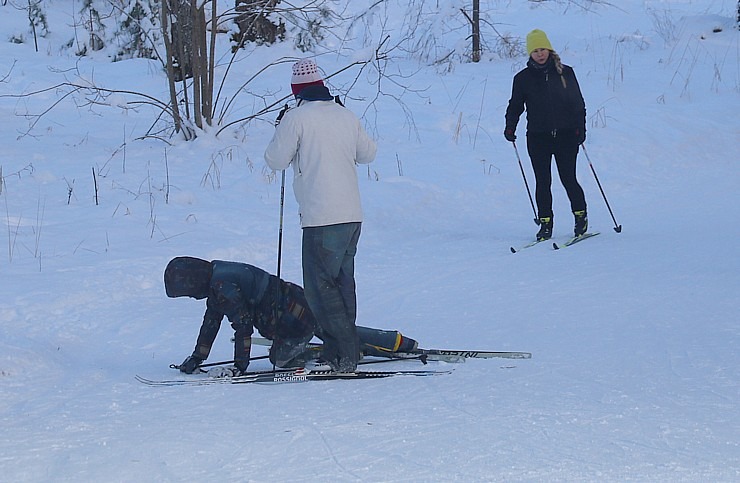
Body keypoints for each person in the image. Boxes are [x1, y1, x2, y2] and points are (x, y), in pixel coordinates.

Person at [264, 58, 377, 372]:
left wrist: (281, 127)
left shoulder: (296, 117)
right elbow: (368, 154)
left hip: (321, 216)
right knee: (342, 283)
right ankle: (338, 349)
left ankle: (346, 353)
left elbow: (275, 160)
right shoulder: (344, 114)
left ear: (295, 89)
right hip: (352, 215)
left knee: (319, 289)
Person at [164, 257, 417, 374]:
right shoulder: (218, 277)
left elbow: (242, 327)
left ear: (191, 282)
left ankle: (318, 350)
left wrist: (240, 367)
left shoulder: (222, 287)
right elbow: (211, 322)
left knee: (280, 359)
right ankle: (397, 341)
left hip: (293, 321)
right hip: (299, 302)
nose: (189, 297)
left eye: (185, 293)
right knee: (336, 330)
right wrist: (198, 357)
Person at [504, 29, 588, 241]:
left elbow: (578, 103)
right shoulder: (522, 78)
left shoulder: (565, 72)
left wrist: (581, 129)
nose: (539, 54)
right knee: (543, 181)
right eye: (535, 51)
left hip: (566, 135)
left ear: (549, 49)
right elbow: (515, 106)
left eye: (542, 49)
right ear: (529, 53)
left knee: (568, 178)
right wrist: (510, 126)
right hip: (537, 137)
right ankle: (545, 224)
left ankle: (580, 217)